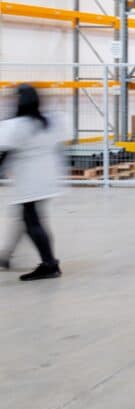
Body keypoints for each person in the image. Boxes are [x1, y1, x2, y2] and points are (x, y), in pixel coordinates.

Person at [0, 85, 67, 281]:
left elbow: (6, 153)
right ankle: (5, 256)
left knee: (31, 220)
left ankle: (50, 264)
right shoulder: (49, 121)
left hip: (29, 179)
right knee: (27, 217)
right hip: (48, 177)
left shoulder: (18, 125)